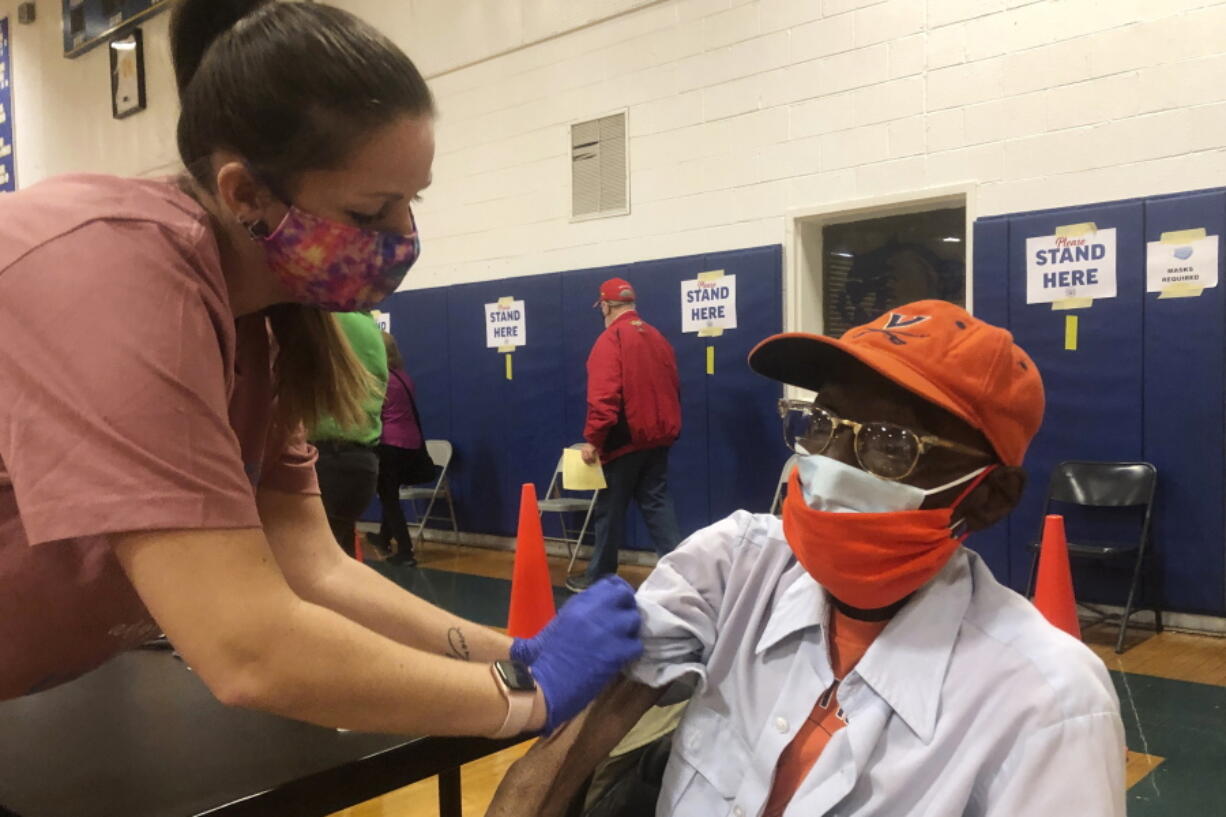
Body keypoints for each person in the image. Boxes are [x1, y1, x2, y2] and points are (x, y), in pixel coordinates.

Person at [0, 0, 642, 742]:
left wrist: (520, 657)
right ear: (244, 194)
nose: (404, 235)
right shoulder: (116, 274)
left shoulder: (265, 332)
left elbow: (314, 565)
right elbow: (246, 647)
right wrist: (526, 699)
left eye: (412, 201)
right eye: (372, 211)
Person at [488, 300, 1126, 817]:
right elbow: (594, 716)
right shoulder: (736, 565)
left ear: (989, 498)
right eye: (819, 426)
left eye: (889, 445)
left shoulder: (1047, 703)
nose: (830, 466)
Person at [567, 278, 682, 593]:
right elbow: (673, 388)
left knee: (610, 510)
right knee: (657, 505)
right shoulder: (658, 338)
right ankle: (684, 575)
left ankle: (599, 576)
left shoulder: (611, 339)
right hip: (658, 436)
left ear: (605, 305)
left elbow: (604, 397)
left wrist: (594, 439)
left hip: (624, 439)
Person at [309, 311, 387, 557]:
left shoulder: (322, 318)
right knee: (338, 559)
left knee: (315, 562)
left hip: (326, 458)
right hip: (360, 462)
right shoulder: (368, 326)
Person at [375, 330, 434, 566]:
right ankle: (382, 537)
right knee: (391, 493)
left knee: (388, 497)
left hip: (389, 444)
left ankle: (405, 550)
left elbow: (374, 412)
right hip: (411, 443)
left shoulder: (379, 379)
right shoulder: (404, 377)